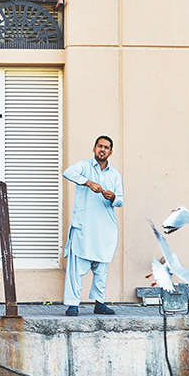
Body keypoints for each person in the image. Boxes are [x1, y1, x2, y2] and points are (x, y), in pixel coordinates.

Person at [61, 135, 124, 316]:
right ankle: (73, 304)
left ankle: (100, 303)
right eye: (100, 146)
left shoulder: (115, 174)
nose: (102, 150)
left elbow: (120, 200)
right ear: (94, 148)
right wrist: (88, 182)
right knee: (76, 268)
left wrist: (112, 197)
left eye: (106, 147)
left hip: (105, 229)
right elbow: (67, 172)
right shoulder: (84, 167)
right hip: (84, 228)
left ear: (111, 152)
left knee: (101, 270)